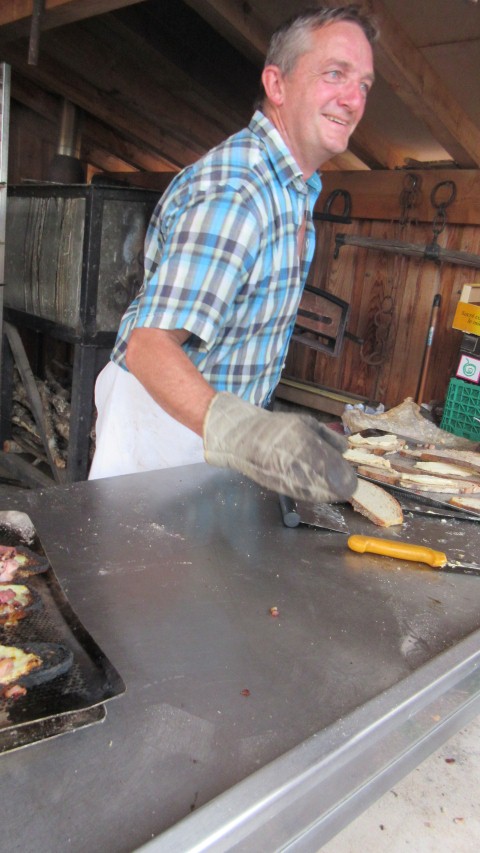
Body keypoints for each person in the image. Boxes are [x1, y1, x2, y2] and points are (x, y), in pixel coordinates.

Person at [89, 4, 376, 506]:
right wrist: (250, 434)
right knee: (128, 582)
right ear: (277, 84)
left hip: (203, 429)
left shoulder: (294, 188)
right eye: (336, 74)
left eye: (365, 86)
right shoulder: (239, 190)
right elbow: (149, 345)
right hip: (160, 425)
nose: (353, 99)